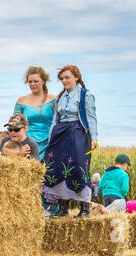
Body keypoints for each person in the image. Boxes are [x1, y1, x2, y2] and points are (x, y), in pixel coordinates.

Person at [42, 65, 98, 217]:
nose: (64, 81)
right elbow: (55, 118)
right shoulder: (60, 97)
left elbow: (91, 117)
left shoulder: (85, 95)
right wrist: (52, 136)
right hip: (61, 133)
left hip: (78, 133)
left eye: (67, 77)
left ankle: (84, 209)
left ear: (76, 77)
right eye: (61, 79)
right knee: (59, 167)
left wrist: (94, 138)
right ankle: (63, 208)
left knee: (79, 168)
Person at [12, 67, 56, 160]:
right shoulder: (21, 100)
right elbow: (14, 125)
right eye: (30, 81)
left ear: (43, 81)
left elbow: (58, 121)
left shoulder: (53, 99)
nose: (33, 84)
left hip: (50, 143)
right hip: (27, 145)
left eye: (36, 81)